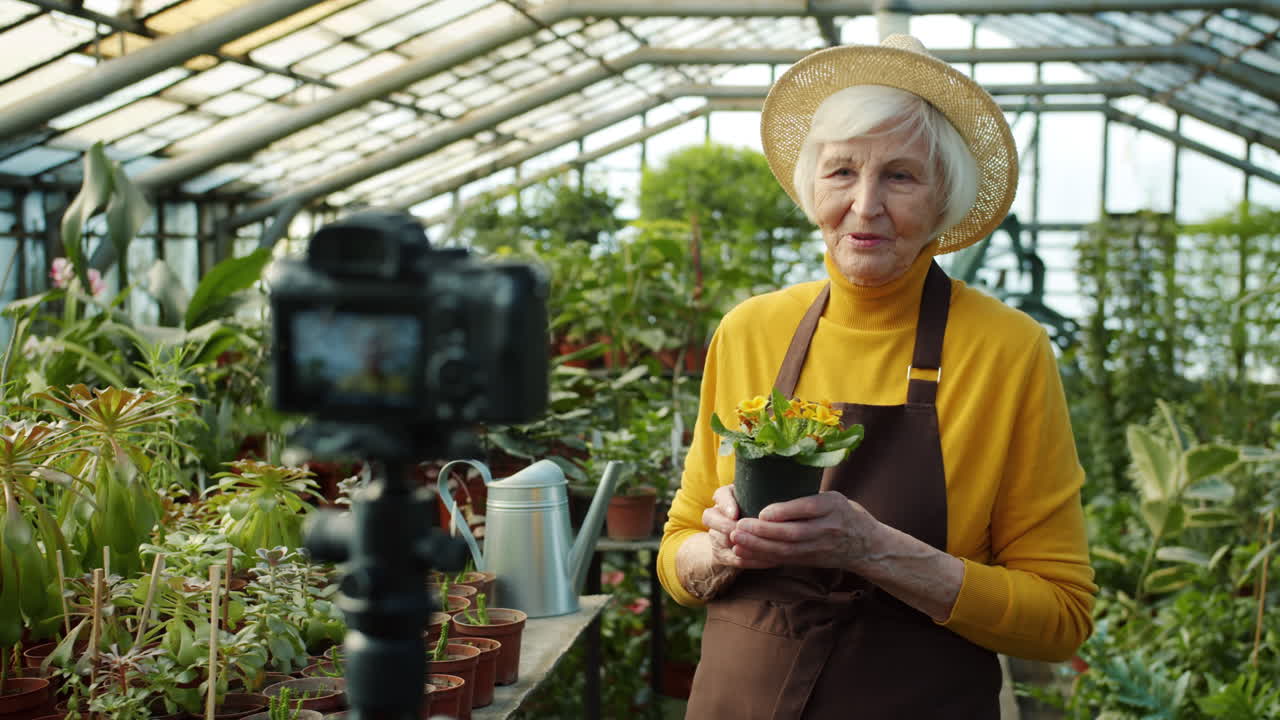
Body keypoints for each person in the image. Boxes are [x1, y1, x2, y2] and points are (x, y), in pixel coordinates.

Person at [656, 35, 1097, 718]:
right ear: (810, 186)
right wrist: (716, 552)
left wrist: (877, 551)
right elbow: (676, 557)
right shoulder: (751, 330)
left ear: (944, 195)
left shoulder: (1007, 350)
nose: (864, 206)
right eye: (840, 173)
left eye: (900, 175)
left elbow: (1061, 616)